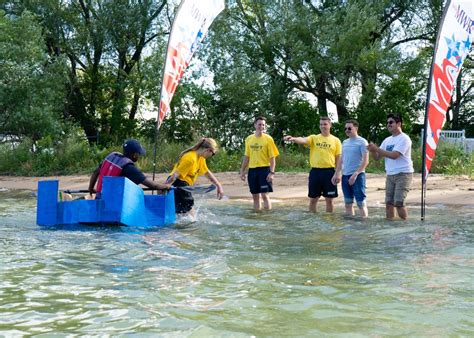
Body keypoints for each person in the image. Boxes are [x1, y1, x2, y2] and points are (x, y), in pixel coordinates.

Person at [284, 116, 342, 213]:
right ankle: (313, 220)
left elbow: (339, 158)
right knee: (313, 199)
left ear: (330, 125)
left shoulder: (336, 140)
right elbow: (303, 140)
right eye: (321, 124)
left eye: (325, 124)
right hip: (315, 172)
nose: (323, 126)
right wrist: (293, 138)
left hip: (329, 172)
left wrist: (338, 173)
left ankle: (330, 221)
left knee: (329, 200)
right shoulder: (314, 138)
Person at [367, 113, 414, 220]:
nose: (388, 124)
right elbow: (377, 157)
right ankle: (390, 227)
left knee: (399, 203)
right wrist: (373, 150)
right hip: (390, 174)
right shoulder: (387, 140)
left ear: (399, 124)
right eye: (387, 123)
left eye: (391, 122)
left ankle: (405, 225)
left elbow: (394, 155)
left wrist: (377, 148)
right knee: (389, 203)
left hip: (403, 174)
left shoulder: (404, 139)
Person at [88, 139, 171, 198]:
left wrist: (91, 188)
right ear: (134, 154)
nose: (139, 156)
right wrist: (166, 186)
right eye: (139, 154)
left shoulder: (111, 157)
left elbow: (95, 173)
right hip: (114, 203)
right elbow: (153, 185)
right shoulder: (129, 168)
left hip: (100, 198)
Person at [167, 137, 224, 215]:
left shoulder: (200, 158)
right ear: (208, 150)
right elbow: (175, 175)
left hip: (185, 185)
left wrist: (218, 185)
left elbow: (207, 172)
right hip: (178, 183)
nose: (211, 155)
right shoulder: (190, 158)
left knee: (182, 211)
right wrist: (163, 187)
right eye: (213, 153)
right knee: (189, 212)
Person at [239, 116, 279, 210]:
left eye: (263, 125)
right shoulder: (249, 139)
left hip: (264, 170)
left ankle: (267, 217)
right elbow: (246, 156)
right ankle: (257, 217)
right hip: (252, 170)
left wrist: (272, 172)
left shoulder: (268, 139)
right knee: (255, 196)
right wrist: (242, 170)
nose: (261, 126)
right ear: (255, 125)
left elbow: (272, 158)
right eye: (259, 124)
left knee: (265, 195)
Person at [336, 120, 369, 217]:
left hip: (358, 176)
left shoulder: (362, 142)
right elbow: (341, 159)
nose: (347, 130)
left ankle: (364, 225)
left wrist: (355, 174)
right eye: (345, 128)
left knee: (360, 203)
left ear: (356, 128)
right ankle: (350, 227)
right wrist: (336, 173)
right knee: (348, 204)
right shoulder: (345, 142)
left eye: (349, 128)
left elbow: (366, 161)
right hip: (345, 176)